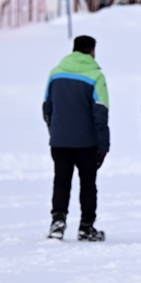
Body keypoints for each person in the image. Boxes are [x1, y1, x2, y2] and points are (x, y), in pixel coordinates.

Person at [43, 35, 109, 241]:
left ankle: (57, 223)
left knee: (61, 181)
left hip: (60, 141)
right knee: (88, 183)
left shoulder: (55, 73)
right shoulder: (95, 76)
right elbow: (101, 113)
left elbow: (47, 107)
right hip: (86, 142)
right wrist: (103, 145)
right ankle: (86, 227)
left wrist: (54, 130)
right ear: (92, 51)